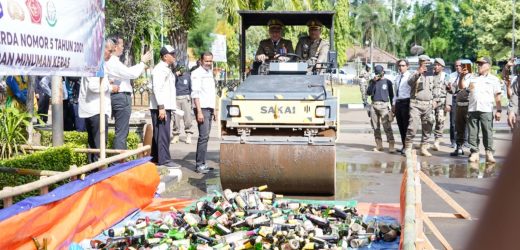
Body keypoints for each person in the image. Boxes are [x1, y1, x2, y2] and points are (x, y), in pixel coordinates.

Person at [105, 35, 152, 150]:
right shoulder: (112, 61)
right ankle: (118, 164)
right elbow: (131, 74)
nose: (123, 48)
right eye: (121, 45)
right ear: (115, 47)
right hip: (120, 97)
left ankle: (117, 162)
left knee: (120, 132)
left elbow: (128, 72)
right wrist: (142, 62)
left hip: (118, 97)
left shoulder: (113, 61)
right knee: (121, 133)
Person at [78, 38, 113, 163]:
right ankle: (98, 172)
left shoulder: (96, 62)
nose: (111, 54)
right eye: (109, 51)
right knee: (99, 145)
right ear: (102, 49)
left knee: (94, 144)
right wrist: (110, 87)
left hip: (94, 109)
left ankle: (93, 171)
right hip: (96, 110)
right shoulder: (95, 63)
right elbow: (93, 86)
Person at [465, 56, 502, 163]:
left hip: (486, 109)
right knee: (472, 132)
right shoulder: (472, 77)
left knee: (488, 132)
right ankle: (474, 153)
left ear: (488, 65)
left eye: (481, 64)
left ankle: (488, 153)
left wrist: (499, 111)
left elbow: (497, 96)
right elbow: (463, 86)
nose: (479, 65)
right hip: (472, 109)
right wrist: (463, 76)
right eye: (478, 64)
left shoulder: (494, 79)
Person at [149, 45, 177, 166]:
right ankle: (164, 159)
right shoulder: (160, 69)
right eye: (172, 54)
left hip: (164, 106)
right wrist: (161, 107)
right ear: (165, 56)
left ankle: (156, 158)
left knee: (160, 133)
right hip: (161, 107)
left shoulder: (166, 68)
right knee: (163, 134)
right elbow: (157, 88)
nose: (174, 56)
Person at [404, 55, 435, 157]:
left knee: (428, 127)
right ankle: (408, 148)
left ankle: (424, 147)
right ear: (420, 62)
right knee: (412, 127)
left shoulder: (431, 74)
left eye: (427, 62)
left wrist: (435, 100)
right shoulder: (414, 73)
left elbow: (435, 89)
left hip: (428, 105)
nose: (426, 63)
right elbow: (409, 82)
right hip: (416, 105)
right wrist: (418, 73)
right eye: (424, 62)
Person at [191, 52, 217, 174]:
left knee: (206, 137)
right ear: (201, 61)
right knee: (203, 137)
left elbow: (211, 93)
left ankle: (202, 163)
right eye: (206, 61)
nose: (208, 63)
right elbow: (195, 94)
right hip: (202, 109)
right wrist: (199, 112)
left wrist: (215, 110)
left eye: (210, 61)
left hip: (209, 108)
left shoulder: (209, 73)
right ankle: (199, 165)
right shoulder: (196, 73)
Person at [366, 65, 395, 152]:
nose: (378, 75)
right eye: (376, 73)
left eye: (379, 73)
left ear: (383, 72)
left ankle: (391, 145)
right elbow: (368, 92)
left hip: (384, 106)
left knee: (387, 126)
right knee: (375, 127)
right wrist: (373, 82)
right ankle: (379, 145)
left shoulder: (388, 82)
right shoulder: (372, 81)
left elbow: (391, 95)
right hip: (374, 105)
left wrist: (393, 107)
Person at [448, 60, 472, 156]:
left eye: (461, 65)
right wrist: (449, 89)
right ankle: (458, 146)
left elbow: (469, 89)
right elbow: (453, 90)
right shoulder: (454, 76)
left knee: (469, 125)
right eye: (457, 65)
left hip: (469, 102)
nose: (459, 67)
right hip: (457, 101)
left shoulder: (472, 77)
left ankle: (471, 148)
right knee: (457, 124)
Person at [392, 59, 412, 154]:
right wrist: (393, 104)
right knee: (400, 126)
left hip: (406, 102)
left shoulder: (410, 76)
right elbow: (395, 92)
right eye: (399, 65)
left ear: (407, 66)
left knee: (406, 126)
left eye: (403, 65)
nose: (401, 67)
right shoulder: (398, 77)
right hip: (398, 103)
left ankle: (408, 147)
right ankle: (404, 145)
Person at [430, 58, 451, 151]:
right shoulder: (430, 75)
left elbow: (449, 91)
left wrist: (448, 104)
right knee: (428, 120)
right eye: (435, 64)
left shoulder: (445, 76)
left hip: (441, 102)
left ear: (442, 67)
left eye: (438, 65)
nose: (436, 67)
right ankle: (425, 141)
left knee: (440, 121)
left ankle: (437, 141)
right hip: (431, 101)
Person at [171, 62, 194, 144]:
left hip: (185, 98)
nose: (181, 70)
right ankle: (176, 135)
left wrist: (191, 101)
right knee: (175, 119)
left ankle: (188, 135)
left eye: (182, 68)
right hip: (176, 98)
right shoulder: (174, 76)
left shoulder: (188, 76)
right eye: (179, 68)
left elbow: (191, 88)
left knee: (187, 118)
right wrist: (175, 75)